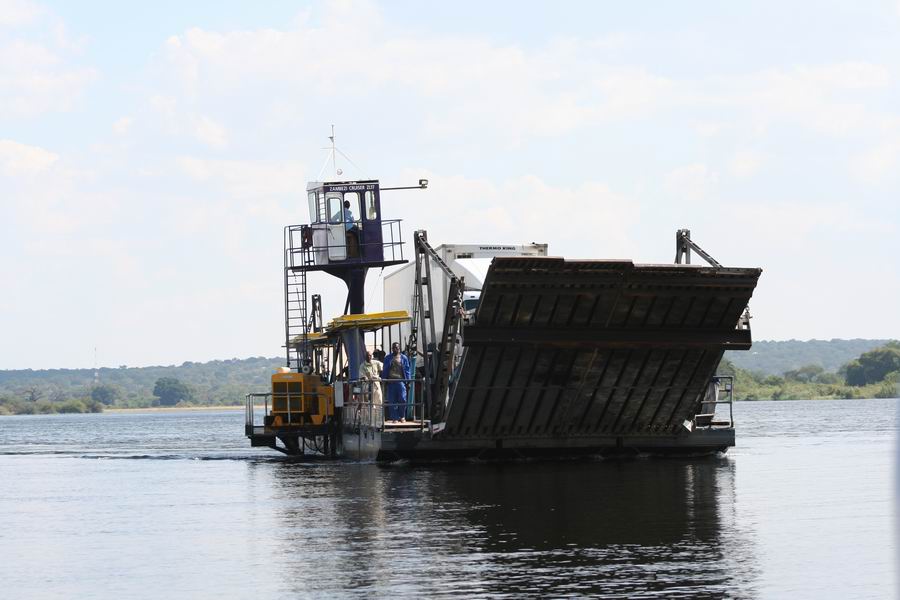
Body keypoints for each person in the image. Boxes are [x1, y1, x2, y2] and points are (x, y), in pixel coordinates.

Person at [382, 342, 411, 422]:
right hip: (391, 382)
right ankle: (395, 417)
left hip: (400, 381)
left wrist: (408, 382)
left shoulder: (404, 358)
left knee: (402, 398)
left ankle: (402, 416)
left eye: (397, 348)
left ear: (399, 349)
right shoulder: (388, 358)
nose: (395, 349)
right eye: (394, 348)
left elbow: (407, 370)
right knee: (392, 400)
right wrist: (383, 380)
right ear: (392, 349)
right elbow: (385, 370)